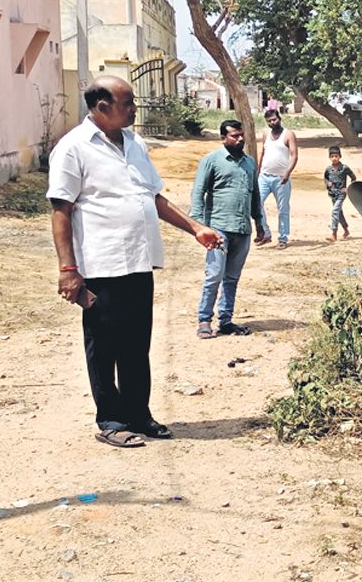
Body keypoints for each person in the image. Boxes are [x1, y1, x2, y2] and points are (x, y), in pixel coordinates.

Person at [48, 76, 223, 449]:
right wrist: (68, 269)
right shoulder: (73, 148)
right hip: (101, 265)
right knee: (103, 345)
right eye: (127, 103)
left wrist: (194, 228)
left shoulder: (134, 142)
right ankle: (110, 419)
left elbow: (153, 197)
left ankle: (138, 415)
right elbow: (61, 210)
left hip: (140, 261)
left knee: (136, 343)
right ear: (101, 107)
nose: (134, 109)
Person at [191, 120, 267, 339]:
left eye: (241, 135)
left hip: (242, 229)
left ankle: (225, 321)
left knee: (232, 277)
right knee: (214, 275)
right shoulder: (211, 161)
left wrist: (259, 222)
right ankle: (205, 320)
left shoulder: (250, 163)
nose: (240, 139)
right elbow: (198, 192)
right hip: (218, 229)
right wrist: (197, 226)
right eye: (234, 136)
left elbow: (255, 195)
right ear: (223, 138)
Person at [256, 108, 298, 249]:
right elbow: (263, 153)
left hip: (281, 178)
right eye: (269, 121)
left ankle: (283, 237)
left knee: (283, 209)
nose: (272, 123)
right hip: (264, 176)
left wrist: (287, 173)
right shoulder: (266, 134)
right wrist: (258, 171)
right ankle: (266, 233)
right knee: (256, 204)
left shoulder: (288, 135)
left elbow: (294, 156)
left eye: (274, 119)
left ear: (279, 118)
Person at [323, 145, 358, 241]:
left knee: (335, 211)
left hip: (341, 194)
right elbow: (326, 178)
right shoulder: (328, 170)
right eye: (332, 156)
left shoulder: (344, 168)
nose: (334, 158)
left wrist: (348, 188)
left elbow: (353, 177)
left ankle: (334, 233)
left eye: (336, 156)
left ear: (340, 157)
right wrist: (328, 183)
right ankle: (346, 230)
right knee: (339, 212)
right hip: (333, 193)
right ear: (329, 157)